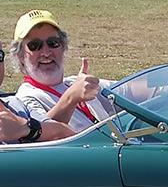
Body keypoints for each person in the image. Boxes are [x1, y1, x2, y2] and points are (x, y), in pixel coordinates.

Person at [9, 9, 113, 137]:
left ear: (63, 47)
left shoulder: (75, 82)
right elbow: (44, 135)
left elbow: (129, 90)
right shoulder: (25, 98)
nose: (46, 53)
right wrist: (71, 97)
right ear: (20, 55)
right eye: (35, 46)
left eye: (53, 43)